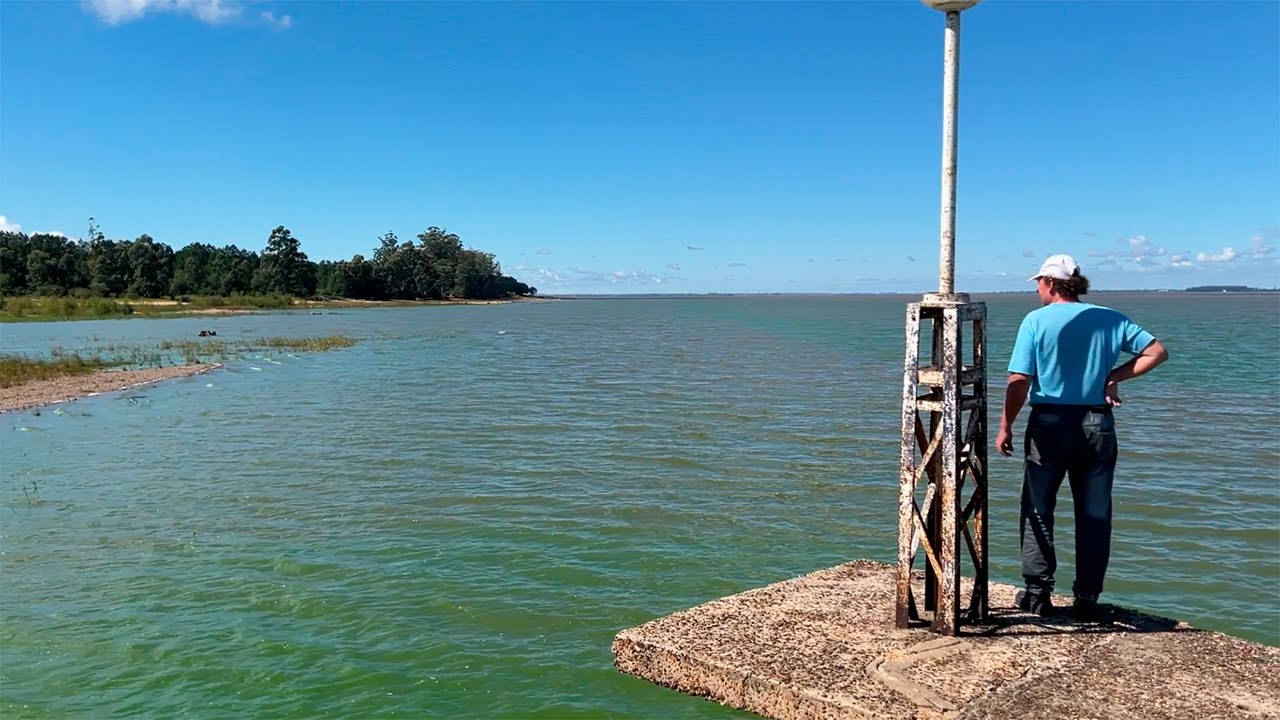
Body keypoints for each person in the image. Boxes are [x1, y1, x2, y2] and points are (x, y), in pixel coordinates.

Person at [995, 254, 1168, 620]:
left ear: (1053, 285)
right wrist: (1114, 376)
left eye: (1039, 283)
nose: (1037, 290)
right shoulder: (1109, 318)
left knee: (1038, 508)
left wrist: (1005, 424)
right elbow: (1156, 352)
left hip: (1050, 423)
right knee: (1094, 513)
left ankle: (1038, 593)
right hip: (1097, 423)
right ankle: (1087, 598)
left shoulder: (1036, 321)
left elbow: (1019, 380)